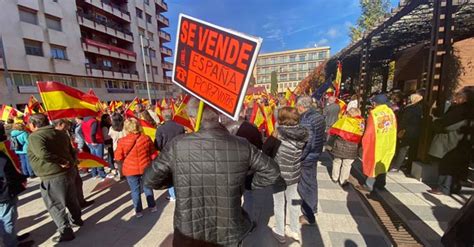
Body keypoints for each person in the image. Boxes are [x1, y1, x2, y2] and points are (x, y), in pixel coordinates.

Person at [143, 99, 280, 246]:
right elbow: (272, 171)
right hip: (227, 232)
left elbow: (150, 179)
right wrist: (243, 182)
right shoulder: (241, 144)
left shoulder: (177, 144)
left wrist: (244, 182)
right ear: (218, 118)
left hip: (189, 233)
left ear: (193, 119)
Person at [27, 114, 82, 242]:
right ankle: (77, 219)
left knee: (55, 205)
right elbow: (72, 150)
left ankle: (65, 231)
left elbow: (42, 153)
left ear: (34, 124)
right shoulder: (61, 133)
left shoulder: (35, 136)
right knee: (71, 199)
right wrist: (72, 163)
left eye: (29, 124)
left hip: (52, 175)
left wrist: (61, 161)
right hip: (67, 172)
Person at [271, 107, 308, 244]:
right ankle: (294, 229)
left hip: (279, 174)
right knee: (293, 201)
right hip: (294, 172)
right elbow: (305, 151)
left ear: (281, 119)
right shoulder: (304, 133)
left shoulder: (278, 133)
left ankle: (280, 231)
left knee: (279, 203)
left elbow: (267, 150)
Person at [428, 88, 474, 195]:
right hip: (463, 143)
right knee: (456, 167)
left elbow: (446, 125)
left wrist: (434, 120)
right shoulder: (470, 110)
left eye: (457, 97)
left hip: (451, 142)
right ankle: (453, 187)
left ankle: (443, 188)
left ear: (463, 98)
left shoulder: (459, 110)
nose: (454, 99)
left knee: (447, 166)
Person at [115, 118, 157, 218]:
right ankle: (152, 206)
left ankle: (138, 211)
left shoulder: (122, 141)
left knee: (135, 190)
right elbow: (153, 153)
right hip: (145, 167)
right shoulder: (146, 138)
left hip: (130, 170)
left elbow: (118, 157)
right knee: (147, 187)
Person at [296, 96, 325, 225]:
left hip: (307, 157)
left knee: (305, 185)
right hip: (315, 154)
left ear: (302, 106)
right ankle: (313, 208)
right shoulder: (318, 115)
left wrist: (300, 157)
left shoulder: (306, 119)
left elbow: (307, 142)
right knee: (311, 182)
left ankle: (309, 214)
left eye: (297, 106)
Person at [53, 119, 94, 209]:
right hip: (65, 165)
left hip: (72, 162)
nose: (68, 127)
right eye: (66, 125)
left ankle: (81, 201)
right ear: (60, 124)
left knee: (78, 183)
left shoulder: (64, 133)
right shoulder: (53, 136)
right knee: (71, 187)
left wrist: (75, 152)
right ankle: (74, 205)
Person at [361, 94, 397, 193]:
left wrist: (364, 143)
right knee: (384, 162)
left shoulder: (374, 114)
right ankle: (381, 183)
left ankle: (369, 184)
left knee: (373, 163)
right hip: (388, 142)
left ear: (375, 103)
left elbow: (370, 131)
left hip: (376, 142)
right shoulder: (391, 113)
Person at [329, 108, 365, 186]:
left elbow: (333, 131)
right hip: (352, 146)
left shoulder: (344, 120)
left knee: (337, 161)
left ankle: (335, 177)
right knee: (347, 164)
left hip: (340, 144)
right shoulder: (361, 123)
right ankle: (343, 180)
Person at [155, 108, 184, 201]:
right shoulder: (180, 127)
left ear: (163, 117)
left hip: (167, 155)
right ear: (172, 116)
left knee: (169, 175)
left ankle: (173, 195)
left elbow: (158, 144)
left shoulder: (160, 129)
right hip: (179, 152)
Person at [390, 93, 423, 172]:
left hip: (407, 131)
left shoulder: (410, 108)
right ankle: (409, 166)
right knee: (412, 150)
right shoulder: (420, 108)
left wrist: (400, 129)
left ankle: (396, 166)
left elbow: (404, 120)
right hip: (416, 131)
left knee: (403, 149)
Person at [108, 113, 126, 178]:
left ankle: (121, 174)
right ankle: (127, 173)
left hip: (116, 147)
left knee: (119, 163)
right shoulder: (125, 126)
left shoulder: (111, 128)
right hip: (125, 145)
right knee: (126, 161)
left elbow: (109, 135)